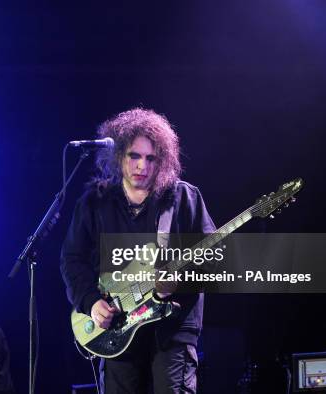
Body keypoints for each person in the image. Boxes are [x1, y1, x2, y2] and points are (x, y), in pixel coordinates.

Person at [60, 108, 216, 394]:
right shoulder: (95, 202)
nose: (141, 165)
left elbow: (214, 260)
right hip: (118, 330)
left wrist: (180, 281)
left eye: (150, 158)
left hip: (172, 331)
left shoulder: (183, 199)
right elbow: (72, 259)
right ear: (119, 155)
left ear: (162, 162)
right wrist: (91, 301)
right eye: (134, 156)